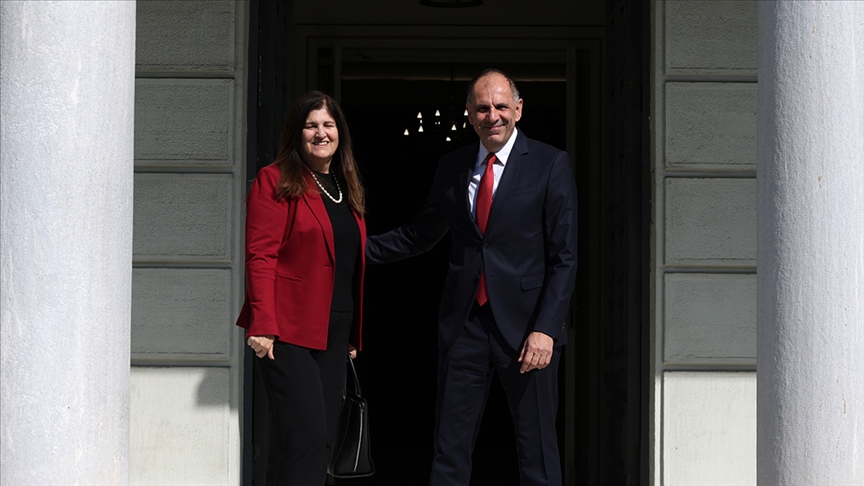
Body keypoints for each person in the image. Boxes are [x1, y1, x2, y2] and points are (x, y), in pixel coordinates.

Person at [366, 69, 577, 485]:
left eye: (501, 106)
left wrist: (546, 330)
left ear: (518, 109)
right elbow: (419, 235)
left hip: (527, 333)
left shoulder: (551, 163)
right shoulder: (453, 166)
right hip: (465, 328)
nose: (492, 115)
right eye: (482, 108)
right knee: (450, 451)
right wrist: (350, 248)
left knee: (538, 453)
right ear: (469, 114)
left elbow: (565, 257)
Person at [235, 91, 366, 485]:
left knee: (324, 440)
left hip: (334, 328)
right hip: (286, 330)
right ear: (297, 133)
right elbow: (260, 256)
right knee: (305, 437)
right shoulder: (274, 180)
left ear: (339, 132)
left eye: (328, 125)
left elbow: (348, 261)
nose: (321, 133)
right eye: (311, 125)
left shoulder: (346, 187)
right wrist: (262, 323)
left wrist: (351, 331)